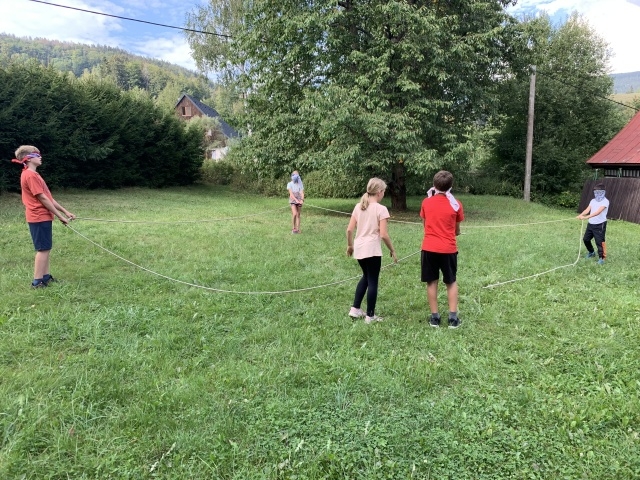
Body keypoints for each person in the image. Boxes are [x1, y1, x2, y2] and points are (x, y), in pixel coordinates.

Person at [12, 145, 76, 288]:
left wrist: (65, 212)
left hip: (43, 216)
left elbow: (48, 197)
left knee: (46, 247)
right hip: (38, 216)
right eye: (37, 155)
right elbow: (42, 198)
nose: (40, 157)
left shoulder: (34, 175)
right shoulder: (30, 175)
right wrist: (59, 216)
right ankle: (37, 282)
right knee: (42, 249)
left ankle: (45, 277)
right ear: (28, 159)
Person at [346, 178, 398, 324]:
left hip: (359, 249)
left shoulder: (358, 206)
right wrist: (392, 250)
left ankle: (355, 309)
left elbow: (349, 230)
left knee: (366, 276)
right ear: (379, 192)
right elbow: (384, 234)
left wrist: (350, 246)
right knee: (373, 280)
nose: (384, 194)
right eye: (384, 191)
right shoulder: (381, 209)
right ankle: (370, 316)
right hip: (372, 250)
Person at [420, 170, 464, 328]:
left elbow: (425, 225)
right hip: (448, 250)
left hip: (429, 248)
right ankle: (453, 318)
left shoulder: (426, 202)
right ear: (451, 186)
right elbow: (456, 230)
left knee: (432, 282)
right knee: (451, 282)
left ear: (434, 185)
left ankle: (435, 318)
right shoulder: (456, 204)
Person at [577, 182, 609, 265]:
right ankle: (591, 252)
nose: (596, 194)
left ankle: (602, 258)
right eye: (595, 192)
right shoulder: (593, 201)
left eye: (598, 192)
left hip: (600, 224)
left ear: (603, 192)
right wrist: (581, 215)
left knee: (599, 242)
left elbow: (598, 212)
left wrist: (586, 217)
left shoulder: (605, 202)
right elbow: (587, 210)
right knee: (586, 239)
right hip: (591, 224)